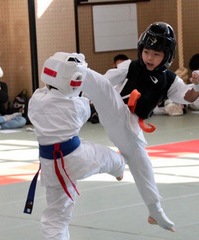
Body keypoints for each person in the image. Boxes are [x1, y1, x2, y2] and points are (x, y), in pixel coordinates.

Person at [82, 22, 199, 232]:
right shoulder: (130, 66)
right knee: (101, 88)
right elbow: (103, 82)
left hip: (131, 126)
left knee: (143, 167)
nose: (149, 58)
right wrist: (84, 96)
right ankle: (75, 68)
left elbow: (188, 97)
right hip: (115, 109)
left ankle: (155, 211)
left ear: (167, 56)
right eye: (146, 52)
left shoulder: (170, 80)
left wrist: (198, 85)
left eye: (156, 54)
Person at [25, 52, 125, 240]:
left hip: (49, 165)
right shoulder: (76, 107)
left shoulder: (36, 100)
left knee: (56, 215)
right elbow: (85, 107)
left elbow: (53, 96)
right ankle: (120, 168)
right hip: (74, 157)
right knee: (106, 157)